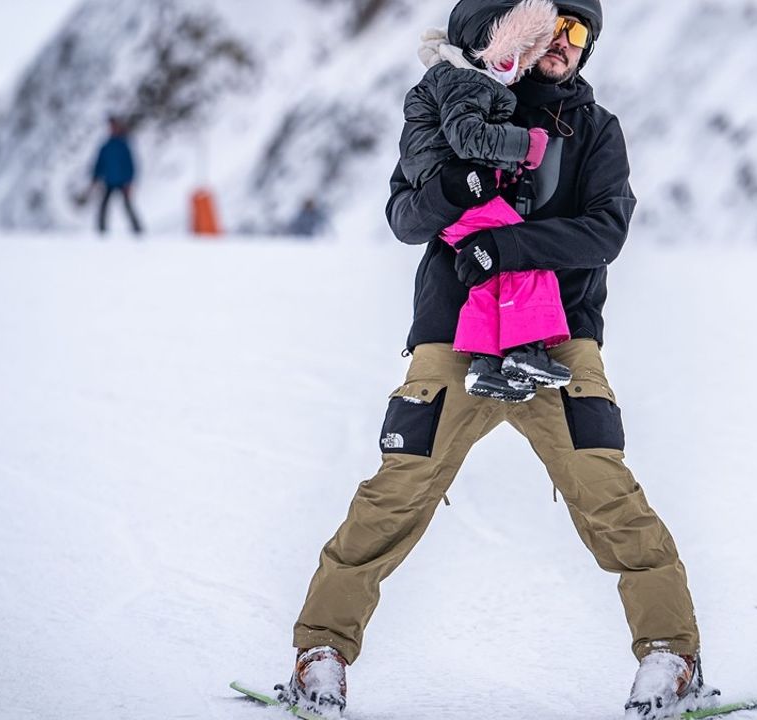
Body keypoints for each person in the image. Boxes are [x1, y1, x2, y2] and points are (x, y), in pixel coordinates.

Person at [275, 2, 713, 719]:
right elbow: (402, 216)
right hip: (454, 333)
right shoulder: (456, 109)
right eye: (553, 29)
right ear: (506, 33)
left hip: (558, 339)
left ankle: (672, 654)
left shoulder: (596, 130)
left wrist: (506, 249)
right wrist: (456, 189)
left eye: (579, 33)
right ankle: (319, 653)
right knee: (397, 490)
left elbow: (604, 231)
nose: (566, 45)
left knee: (605, 489)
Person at [399, 0, 573, 403]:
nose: (515, 62)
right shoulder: (467, 80)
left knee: (487, 274)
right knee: (521, 254)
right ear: (488, 45)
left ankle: (485, 364)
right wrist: (525, 145)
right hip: (457, 192)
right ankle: (525, 351)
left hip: (445, 195)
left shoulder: (454, 78)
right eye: (512, 50)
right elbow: (469, 138)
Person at [86, 116, 143, 235]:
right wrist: (95, 177)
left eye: (114, 127)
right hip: (109, 181)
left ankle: (137, 230)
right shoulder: (106, 145)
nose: (112, 129)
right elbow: (99, 163)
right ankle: (101, 230)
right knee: (104, 206)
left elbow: (130, 164)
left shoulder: (124, 145)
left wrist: (129, 181)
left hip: (122, 182)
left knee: (128, 207)